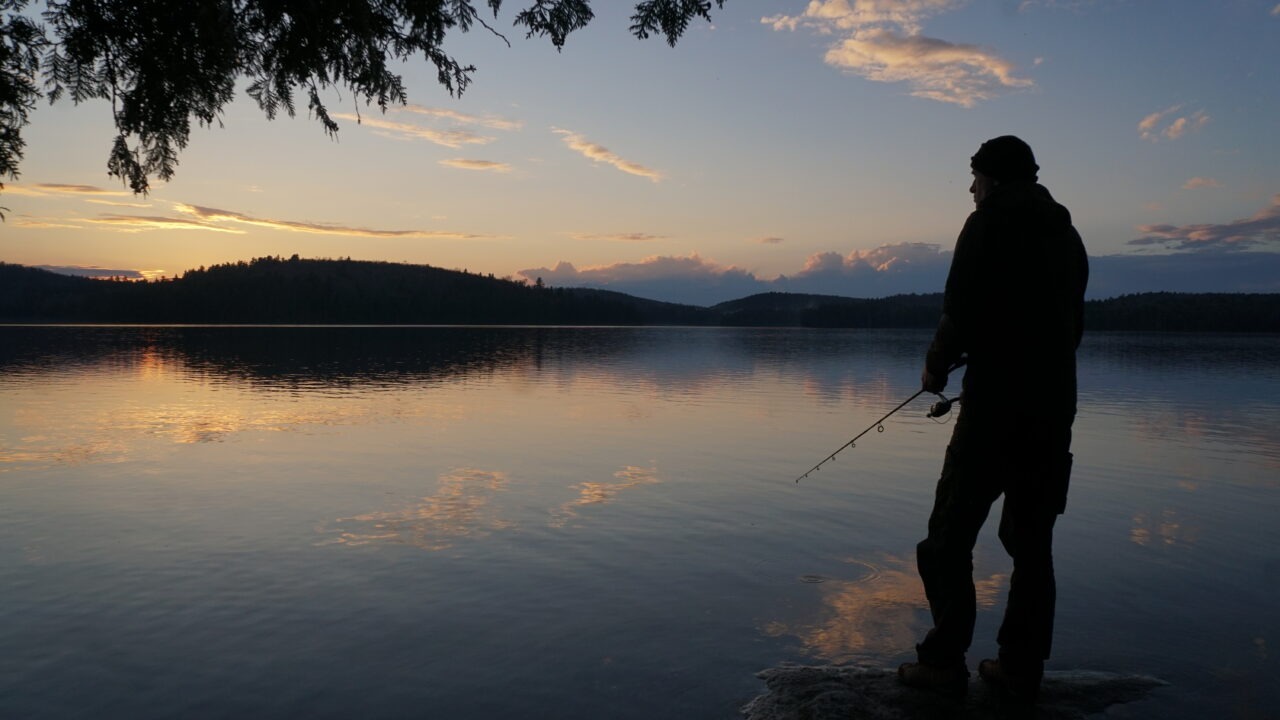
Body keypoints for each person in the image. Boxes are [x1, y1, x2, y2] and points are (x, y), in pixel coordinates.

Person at [897, 136, 1089, 702]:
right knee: (1031, 543)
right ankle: (1020, 667)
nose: (971, 188)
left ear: (996, 179)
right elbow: (1065, 326)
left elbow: (961, 307)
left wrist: (936, 364)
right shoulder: (1067, 236)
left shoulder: (986, 224)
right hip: (1054, 408)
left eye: (975, 176)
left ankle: (943, 660)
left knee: (948, 537)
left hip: (995, 410)